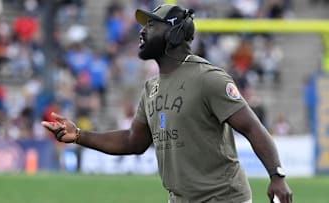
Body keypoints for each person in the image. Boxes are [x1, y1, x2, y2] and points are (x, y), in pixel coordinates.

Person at [41, 4, 293, 203]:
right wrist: (79, 136)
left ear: (173, 33)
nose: (141, 31)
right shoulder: (151, 87)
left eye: (151, 25)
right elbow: (133, 141)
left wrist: (276, 176)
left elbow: (252, 127)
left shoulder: (208, 78)